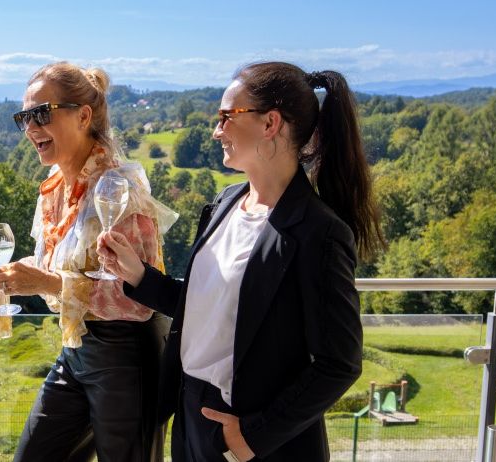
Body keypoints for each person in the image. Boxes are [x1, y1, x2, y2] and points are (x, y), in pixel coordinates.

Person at [98, 62, 384, 461]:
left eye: (226, 117)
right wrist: (140, 276)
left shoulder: (318, 232)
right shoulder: (225, 203)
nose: (217, 130)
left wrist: (255, 435)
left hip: (253, 437)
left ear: (270, 124)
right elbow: (211, 308)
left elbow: (340, 363)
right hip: (192, 416)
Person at [0, 62, 178, 462]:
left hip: (126, 357)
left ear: (83, 115)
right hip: (76, 350)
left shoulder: (120, 189)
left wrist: (45, 285)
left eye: (42, 114)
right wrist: (0, 287)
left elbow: (135, 301)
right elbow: (52, 261)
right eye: (24, 117)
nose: (30, 127)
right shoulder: (53, 190)